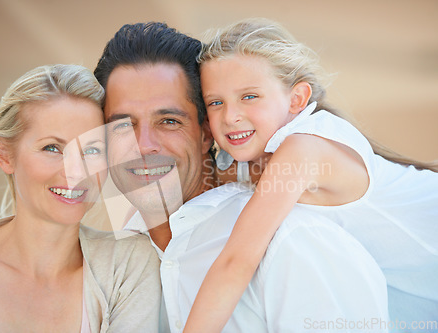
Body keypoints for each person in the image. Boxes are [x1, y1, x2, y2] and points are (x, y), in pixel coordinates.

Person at [95, 22, 390, 333]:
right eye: (122, 125)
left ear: (207, 132)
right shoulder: (116, 251)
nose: (143, 146)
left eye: (169, 121)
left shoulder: (293, 241)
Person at [183, 18, 438, 332]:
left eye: (249, 96)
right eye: (216, 102)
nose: (231, 116)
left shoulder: (304, 149)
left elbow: (237, 262)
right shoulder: (260, 153)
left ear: (296, 99)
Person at [0, 64, 161, 332]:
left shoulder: (127, 265)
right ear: (4, 155)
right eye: (52, 148)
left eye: (91, 150)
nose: (76, 172)